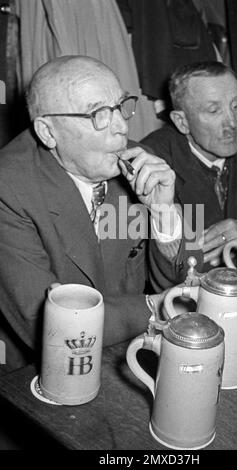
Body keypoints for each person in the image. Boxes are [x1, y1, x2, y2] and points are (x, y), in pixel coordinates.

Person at [0, 56, 200, 374]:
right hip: (37, 372)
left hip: (129, 354)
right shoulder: (8, 188)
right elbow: (47, 326)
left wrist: (164, 214)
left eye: (121, 106)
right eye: (98, 114)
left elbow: (182, 281)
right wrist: (156, 305)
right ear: (48, 133)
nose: (122, 126)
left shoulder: (140, 163)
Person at [142, 61, 237, 269]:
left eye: (236, 105)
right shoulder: (153, 162)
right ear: (182, 122)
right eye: (213, 110)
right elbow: (146, 269)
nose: (232, 122)